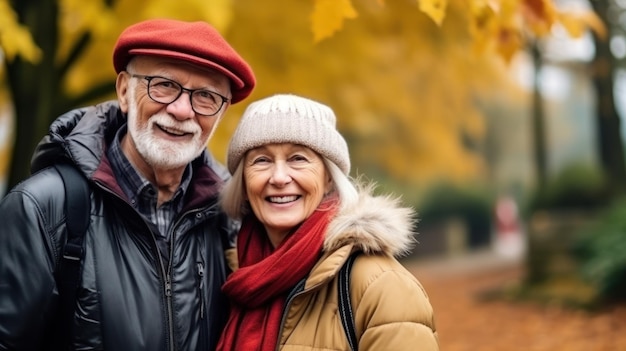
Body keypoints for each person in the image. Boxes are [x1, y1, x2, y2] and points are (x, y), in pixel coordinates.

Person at [0, 19, 255, 350]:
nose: (181, 110)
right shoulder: (44, 208)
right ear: (124, 91)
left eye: (206, 97)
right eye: (163, 85)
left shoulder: (226, 220)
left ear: (219, 115)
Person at [215, 94, 439, 351]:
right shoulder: (230, 276)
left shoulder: (379, 285)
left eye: (298, 158)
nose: (278, 177)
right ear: (243, 183)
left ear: (329, 179)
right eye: (261, 160)